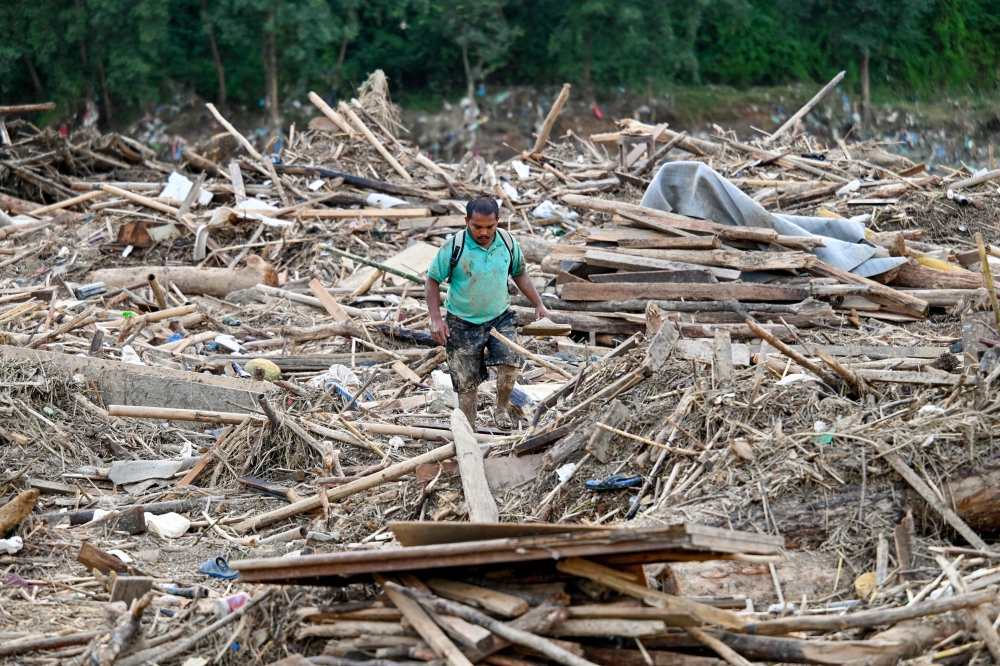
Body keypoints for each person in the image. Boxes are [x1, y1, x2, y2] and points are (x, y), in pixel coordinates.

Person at [425, 196, 550, 429]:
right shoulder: (455, 246)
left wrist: (538, 304)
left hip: (499, 317)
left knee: (511, 362)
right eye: (477, 227)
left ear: (498, 221)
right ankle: (469, 427)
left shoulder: (507, 242)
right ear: (466, 221)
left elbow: (520, 273)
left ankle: (501, 409)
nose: (484, 232)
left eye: (490, 226)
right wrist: (436, 318)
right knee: (466, 382)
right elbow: (432, 281)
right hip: (461, 322)